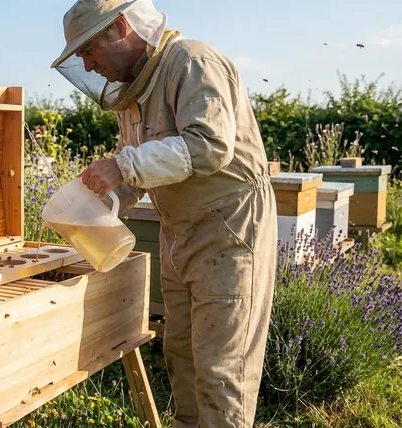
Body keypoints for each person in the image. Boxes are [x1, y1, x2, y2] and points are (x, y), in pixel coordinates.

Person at [50, 0, 278, 427]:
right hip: (180, 234)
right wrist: (100, 203)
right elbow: (141, 169)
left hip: (229, 231)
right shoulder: (133, 93)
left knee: (221, 370)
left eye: (87, 48)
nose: (86, 62)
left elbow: (208, 146)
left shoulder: (191, 61)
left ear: (119, 27)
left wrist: (122, 167)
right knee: (182, 357)